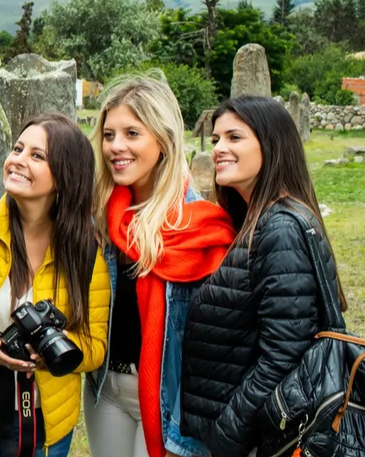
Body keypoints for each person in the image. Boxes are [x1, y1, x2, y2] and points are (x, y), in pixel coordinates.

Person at [181, 96, 347, 457]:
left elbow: (284, 355)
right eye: (215, 140)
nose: (220, 148)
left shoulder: (280, 229)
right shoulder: (255, 221)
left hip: (260, 438)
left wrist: (227, 434)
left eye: (234, 138)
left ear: (270, 143)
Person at [84, 73, 237, 457]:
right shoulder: (98, 217)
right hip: (106, 389)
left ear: (163, 140)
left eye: (132, 133)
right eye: (109, 134)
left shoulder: (202, 226)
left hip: (170, 398)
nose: (116, 146)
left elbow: (215, 346)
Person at [0, 114, 111, 457]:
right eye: (18, 148)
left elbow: (95, 347)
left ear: (65, 176)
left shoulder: (85, 251)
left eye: (37, 156)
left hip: (39, 423)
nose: (18, 160)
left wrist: (52, 352)